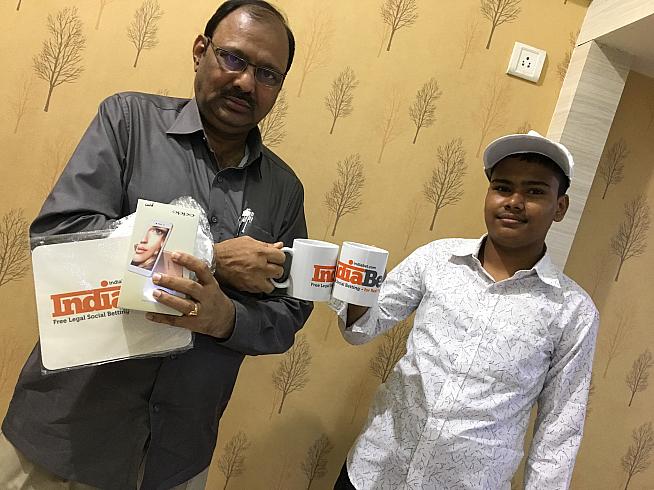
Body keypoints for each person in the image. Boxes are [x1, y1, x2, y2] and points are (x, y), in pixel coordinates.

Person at [0, 1, 312, 489]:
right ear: (200, 51)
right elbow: (60, 239)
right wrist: (209, 258)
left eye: (268, 74)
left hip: (175, 457)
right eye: (234, 58)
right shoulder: (128, 120)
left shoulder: (284, 189)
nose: (246, 83)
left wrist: (226, 319)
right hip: (65, 436)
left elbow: (289, 314)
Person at [333, 131, 600, 489]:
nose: (514, 201)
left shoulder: (574, 311)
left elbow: (560, 430)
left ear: (560, 207)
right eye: (502, 187)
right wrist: (348, 285)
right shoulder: (436, 258)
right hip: (375, 471)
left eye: (535, 191)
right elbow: (361, 328)